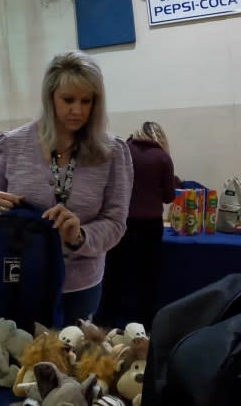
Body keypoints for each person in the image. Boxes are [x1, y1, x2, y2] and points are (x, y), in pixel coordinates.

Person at [0, 51, 133, 325]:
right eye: (68, 100)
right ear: (50, 98)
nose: (77, 110)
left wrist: (80, 235)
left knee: (70, 362)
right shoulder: (12, 144)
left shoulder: (113, 152)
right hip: (18, 275)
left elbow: (116, 222)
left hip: (79, 285)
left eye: (87, 101)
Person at [99, 122, 175, 330]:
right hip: (150, 225)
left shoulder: (123, 151)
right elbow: (169, 196)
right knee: (147, 276)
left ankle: (106, 321)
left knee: (114, 273)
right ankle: (144, 325)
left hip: (121, 222)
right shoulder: (162, 157)